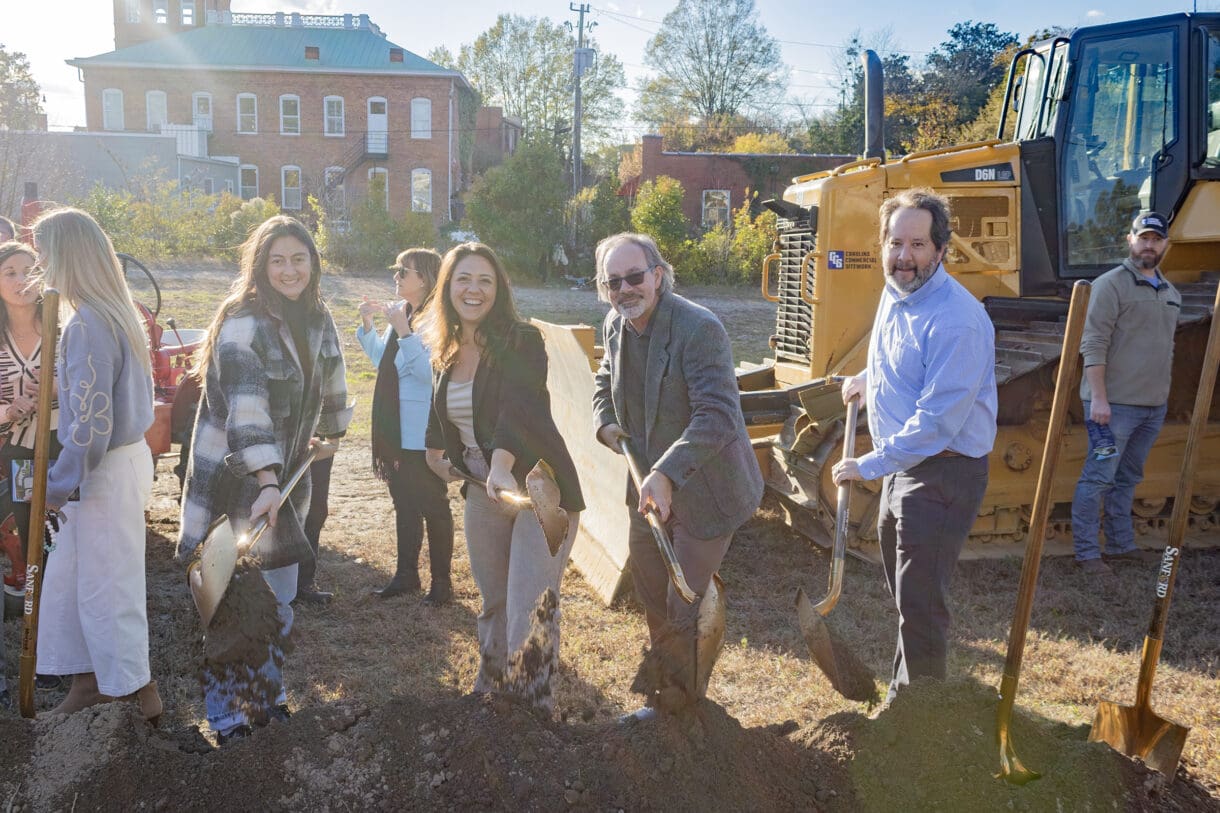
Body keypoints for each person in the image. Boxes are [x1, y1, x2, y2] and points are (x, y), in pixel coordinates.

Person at [178, 215, 351, 745]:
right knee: (233, 598)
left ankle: (267, 699)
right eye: (277, 260)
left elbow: (335, 381)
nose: (289, 269)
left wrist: (331, 431)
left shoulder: (317, 318)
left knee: (277, 594)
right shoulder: (241, 324)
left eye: (299, 258)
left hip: (283, 482)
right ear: (260, 266)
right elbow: (247, 411)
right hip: (235, 479)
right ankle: (230, 716)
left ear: (313, 264)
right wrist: (268, 480)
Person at [831, 189, 997, 705]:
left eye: (918, 244)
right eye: (896, 242)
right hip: (907, 467)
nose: (905, 256)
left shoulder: (957, 320)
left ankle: (922, 725)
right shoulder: (898, 291)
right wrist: (867, 378)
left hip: (942, 471)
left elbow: (936, 422)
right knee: (906, 592)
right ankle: (907, 701)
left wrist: (870, 464)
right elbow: (898, 360)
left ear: (941, 250)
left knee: (921, 602)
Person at [591, 232, 764, 722]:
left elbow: (717, 414)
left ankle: (683, 708)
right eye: (613, 282)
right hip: (647, 486)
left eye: (634, 276)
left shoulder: (697, 328)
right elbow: (605, 375)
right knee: (650, 588)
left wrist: (666, 472)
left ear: (658, 275)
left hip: (707, 489)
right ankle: (670, 693)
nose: (625, 288)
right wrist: (605, 419)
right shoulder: (614, 324)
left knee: (682, 598)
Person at [423, 243, 583, 696]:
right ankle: (489, 698)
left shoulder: (522, 340)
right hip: (481, 487)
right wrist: (437, 452)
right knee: (493, 602)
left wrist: (500, 465)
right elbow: (447, 412)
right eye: (463, 279)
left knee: (530, 606)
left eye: (485, 280)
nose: (474, 289)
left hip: (539, 487)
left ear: (499, 289)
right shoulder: (447, 351)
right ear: (447, 287)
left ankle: (529, 709)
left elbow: (518, 408)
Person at [29, 208, 161, 721]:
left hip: (101, 469)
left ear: (67, 256)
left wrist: (57, 487)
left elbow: (89, 427)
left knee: (108, 581)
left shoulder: (89, 323)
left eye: (43, 255)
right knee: (74, 574)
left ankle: (137, 694)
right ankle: (87, 682)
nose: (40, 267)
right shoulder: (107, 313)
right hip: (110, 466)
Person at [1071, 212, 1178, 576]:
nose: (1150, 245)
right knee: (1098, 477)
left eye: (1156, 239)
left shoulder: (1171, 292)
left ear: (1166, 244)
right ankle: (1087, 553)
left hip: (1151, 408)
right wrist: (1098, 399)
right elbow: (1094, 342)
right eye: (1143, 238)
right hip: (1111, 407)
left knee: (1128, 478)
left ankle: (1120, 545)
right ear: (1129, 241)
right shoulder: (1110, 285)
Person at [359, 248, 454, 604]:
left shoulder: (437, 320)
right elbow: (384, 362)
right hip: (396, 430)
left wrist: (404, 332)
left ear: (425, 279)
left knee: (433, 505)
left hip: (423, 431)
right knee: (404, 503)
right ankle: (406, 575)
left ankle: (442, 584)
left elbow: (431, 376)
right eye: (396, 270)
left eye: (404, 272)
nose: (396, 277)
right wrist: (370, 326)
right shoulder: (404, 314)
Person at [0, 241, 63, 706]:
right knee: (32, 549)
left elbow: (88, 378)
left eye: (30, 270)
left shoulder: (64, 325)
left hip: (64, 448)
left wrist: (57, 388)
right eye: (10, 273)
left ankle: (64, 653)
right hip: (20, 452)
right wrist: (8, 408)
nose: (22, 282)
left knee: (66, 548)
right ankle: (37, 652)